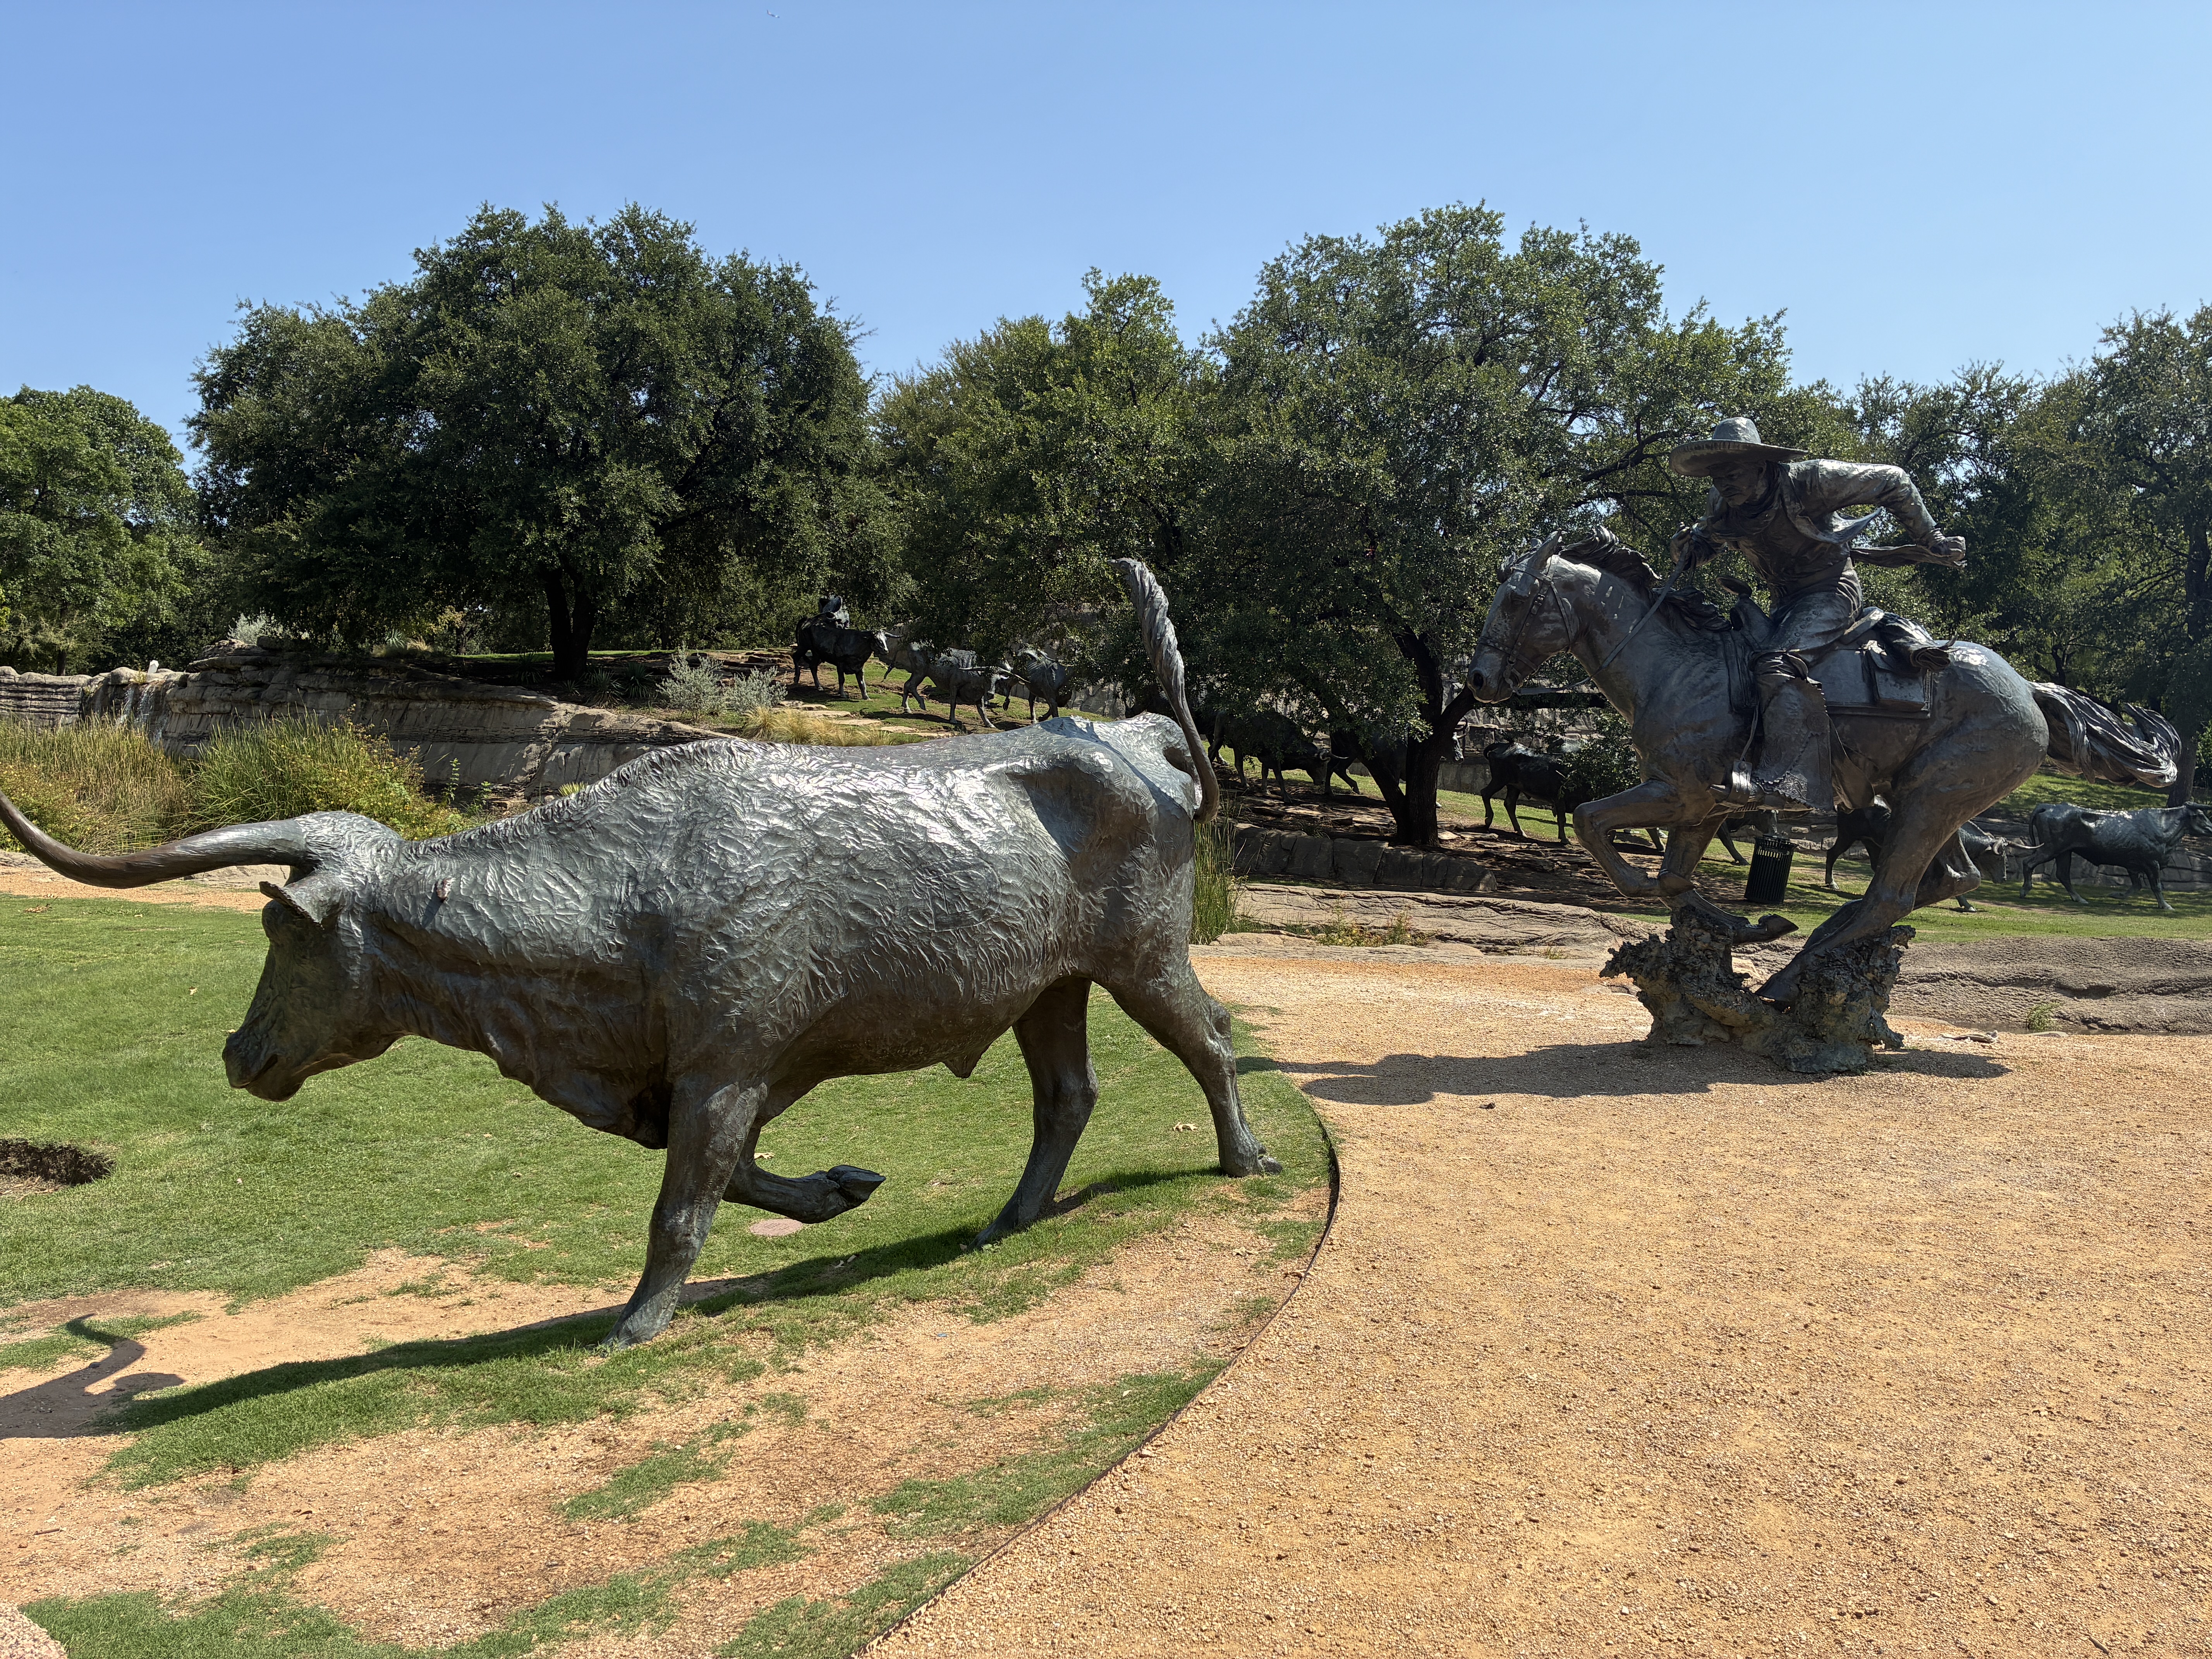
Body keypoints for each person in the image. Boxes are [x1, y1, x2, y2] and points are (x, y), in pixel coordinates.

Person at [1667, 417, 1967, 813]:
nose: (1725, 483)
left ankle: (1788, 782)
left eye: (1734, 473)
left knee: (1776, 663)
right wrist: (1686, 549)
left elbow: (1893, 480)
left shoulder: (1812, 482)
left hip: (1830, 592)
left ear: (1762, 466)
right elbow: (1708, 543)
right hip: (1782, 603)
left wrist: (1931, 540)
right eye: (1717, 476)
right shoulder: (1722, 502)